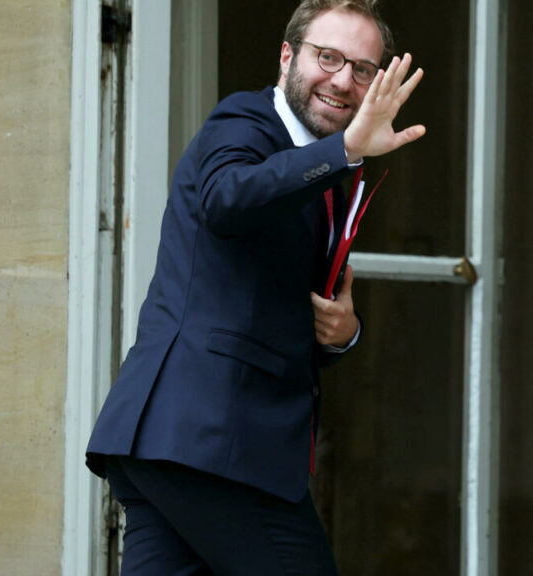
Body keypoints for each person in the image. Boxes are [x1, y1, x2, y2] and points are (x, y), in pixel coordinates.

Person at [85, 1, 424, 573]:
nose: (344, 79)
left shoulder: (324, 170)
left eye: (363, 68)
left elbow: (267, 305)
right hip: (208, 441)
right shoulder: (244, 122)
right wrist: (344, 151)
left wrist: (342, 334)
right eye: (329, 57)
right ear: (288, 56)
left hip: (179, 446)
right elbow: (226, 199)